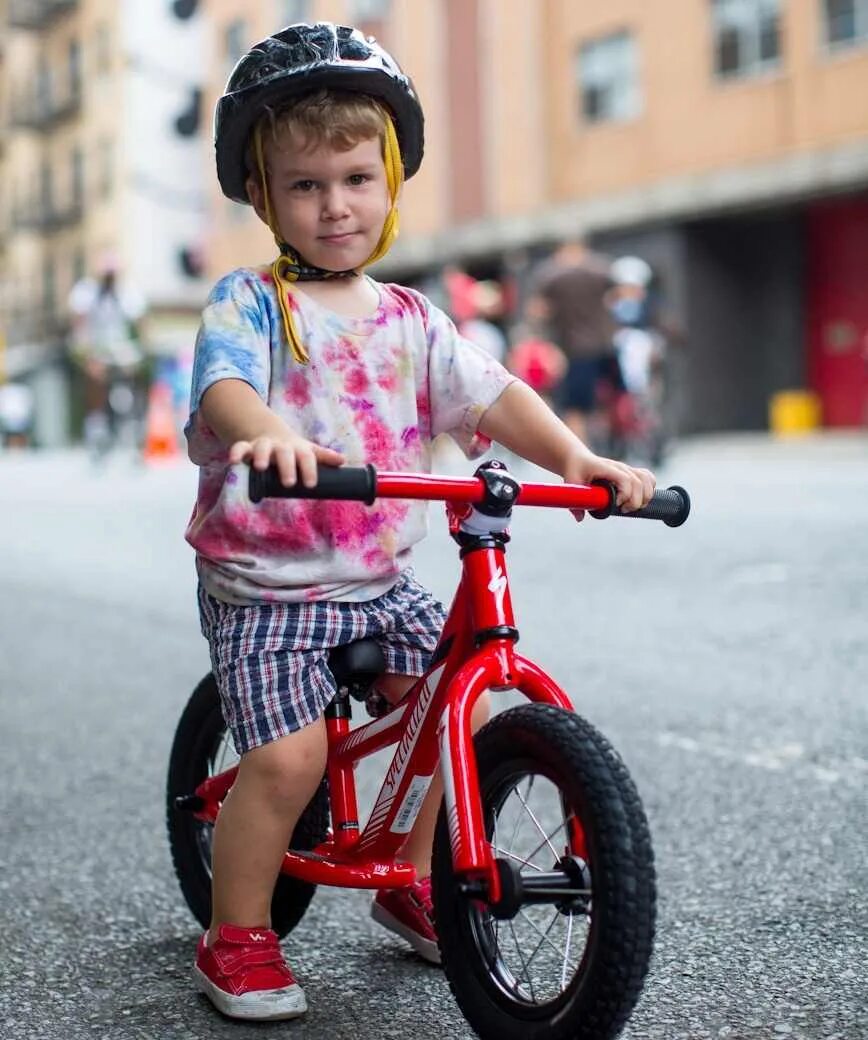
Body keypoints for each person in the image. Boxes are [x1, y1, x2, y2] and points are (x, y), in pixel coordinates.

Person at [185, 21, 655, 1023]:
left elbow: (490, 399)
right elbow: (224, 387)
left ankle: (410, 878)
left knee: (462, 720)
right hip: (270, 584)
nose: (335, 204)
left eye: (356, 177)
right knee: (288, 757)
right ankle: (236, 932)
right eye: (305, 184)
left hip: (376, 574)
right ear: (263, 194)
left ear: (390, 181)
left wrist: (577, 459)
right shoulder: (251, 301)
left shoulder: (409, 317)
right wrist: (267, 433)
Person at [524, 239, 621, 446]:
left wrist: (544, 338)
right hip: (606, 344)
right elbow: (618, 296)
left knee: (575, 408)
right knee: (613, 396)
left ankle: (583, 453)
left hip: (576, 350)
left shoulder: (551, 275)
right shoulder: (600, 269)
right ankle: (616, 442)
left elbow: (537, 311)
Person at [68, 261, 145, 458]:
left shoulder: (127, 292)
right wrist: (84, 352)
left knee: (131, 374)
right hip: (96, 345)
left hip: (120, 344)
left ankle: (130, 421)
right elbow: (78, 322)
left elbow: (141, 322)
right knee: (95, 381)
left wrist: (142, 347)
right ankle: (97, 427)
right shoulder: (87, 292)